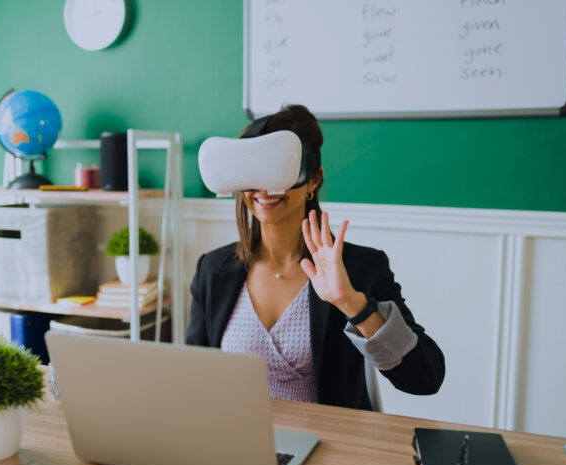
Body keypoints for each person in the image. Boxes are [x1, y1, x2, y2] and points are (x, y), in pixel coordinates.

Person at [186, 105, 445, 411]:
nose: (264, 189)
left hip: (327, 447)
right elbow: (194, 378)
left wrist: (353, 304)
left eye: (279, 170)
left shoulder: (360, 269)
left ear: (313, 180)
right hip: (234, 445)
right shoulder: (212, 270)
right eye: (253, 173)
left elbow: (426, 378)